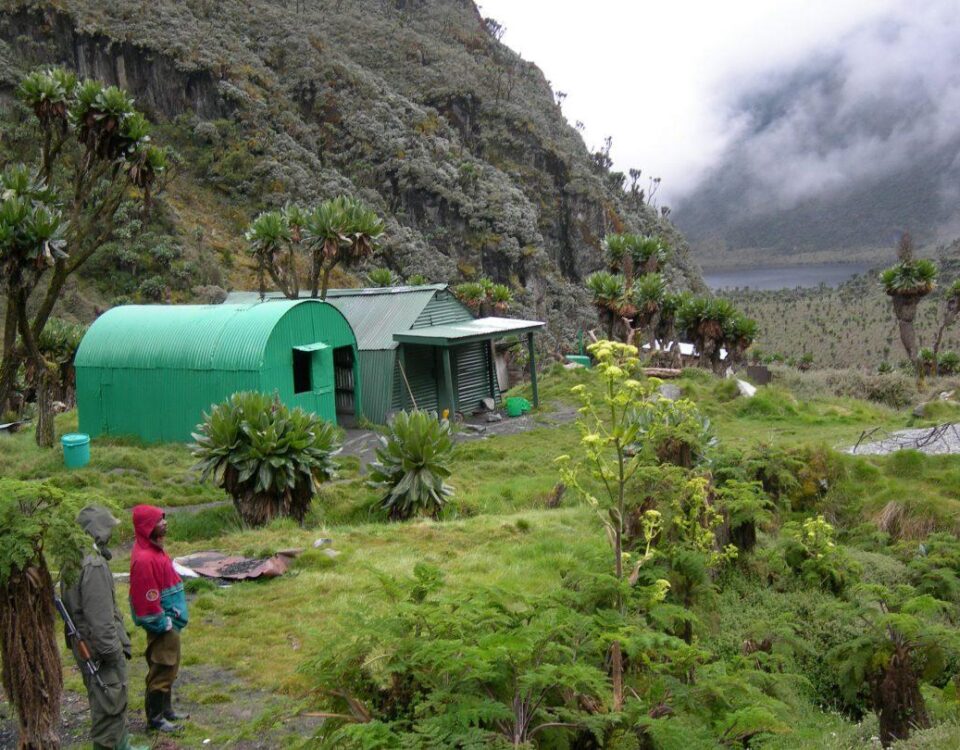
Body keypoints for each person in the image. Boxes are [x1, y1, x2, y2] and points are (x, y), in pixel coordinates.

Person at [61, 506, 147, 750]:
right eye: (108, 528)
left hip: (87, 646)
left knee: (107, 702)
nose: (111, 533)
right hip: (100, 652)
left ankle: (123, 745)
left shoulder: (74, 558)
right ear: (96, 531)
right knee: (110, 705)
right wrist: (114, 654)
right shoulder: (94, 565)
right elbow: (100, 621)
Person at [129, 505, 189, 733]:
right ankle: (155, 720)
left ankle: (166, 711)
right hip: (164, 623)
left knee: (170, 666)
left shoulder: (154, 549)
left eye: (163, 519)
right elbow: (146, 600)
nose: (164, 523)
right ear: (146, 527)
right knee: (162, 667)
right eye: (158, 521)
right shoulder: (145, 559)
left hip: (171, 620)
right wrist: (162, 622)